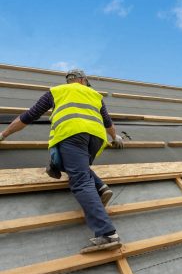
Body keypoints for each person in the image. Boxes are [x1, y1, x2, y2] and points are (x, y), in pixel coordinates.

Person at [0, 69, 124, 254]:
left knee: (79, 181)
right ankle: (100, 187)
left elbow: (28, 116)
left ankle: (108, 233)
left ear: (69, 81)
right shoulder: (95, 95)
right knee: (75, 167)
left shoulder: (56, 92)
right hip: (96, 140)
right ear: (83, 80)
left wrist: (4, 134)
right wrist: (116, 138)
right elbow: (108, 123)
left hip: (71, 136)